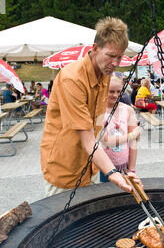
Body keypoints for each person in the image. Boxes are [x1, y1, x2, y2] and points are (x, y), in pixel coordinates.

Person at [40, 16, 139, 197]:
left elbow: (98, 126)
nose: (115, 63)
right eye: (110, 55)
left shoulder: (105, 73)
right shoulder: (72, 78)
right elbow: (87, 137)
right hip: (65, 168)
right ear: (95, 49)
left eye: (119, 57)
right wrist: (113, 172)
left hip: (91, 166)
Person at [99, 76, 140, 182]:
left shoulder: (128, 110)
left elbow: (134, 142)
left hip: (124, 166)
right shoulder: (99, 112)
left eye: (119, 91)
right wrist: (131, 135)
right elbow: (107, 141)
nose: (115, 95)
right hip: (103, 168)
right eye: (111, 91)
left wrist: (132, 169)